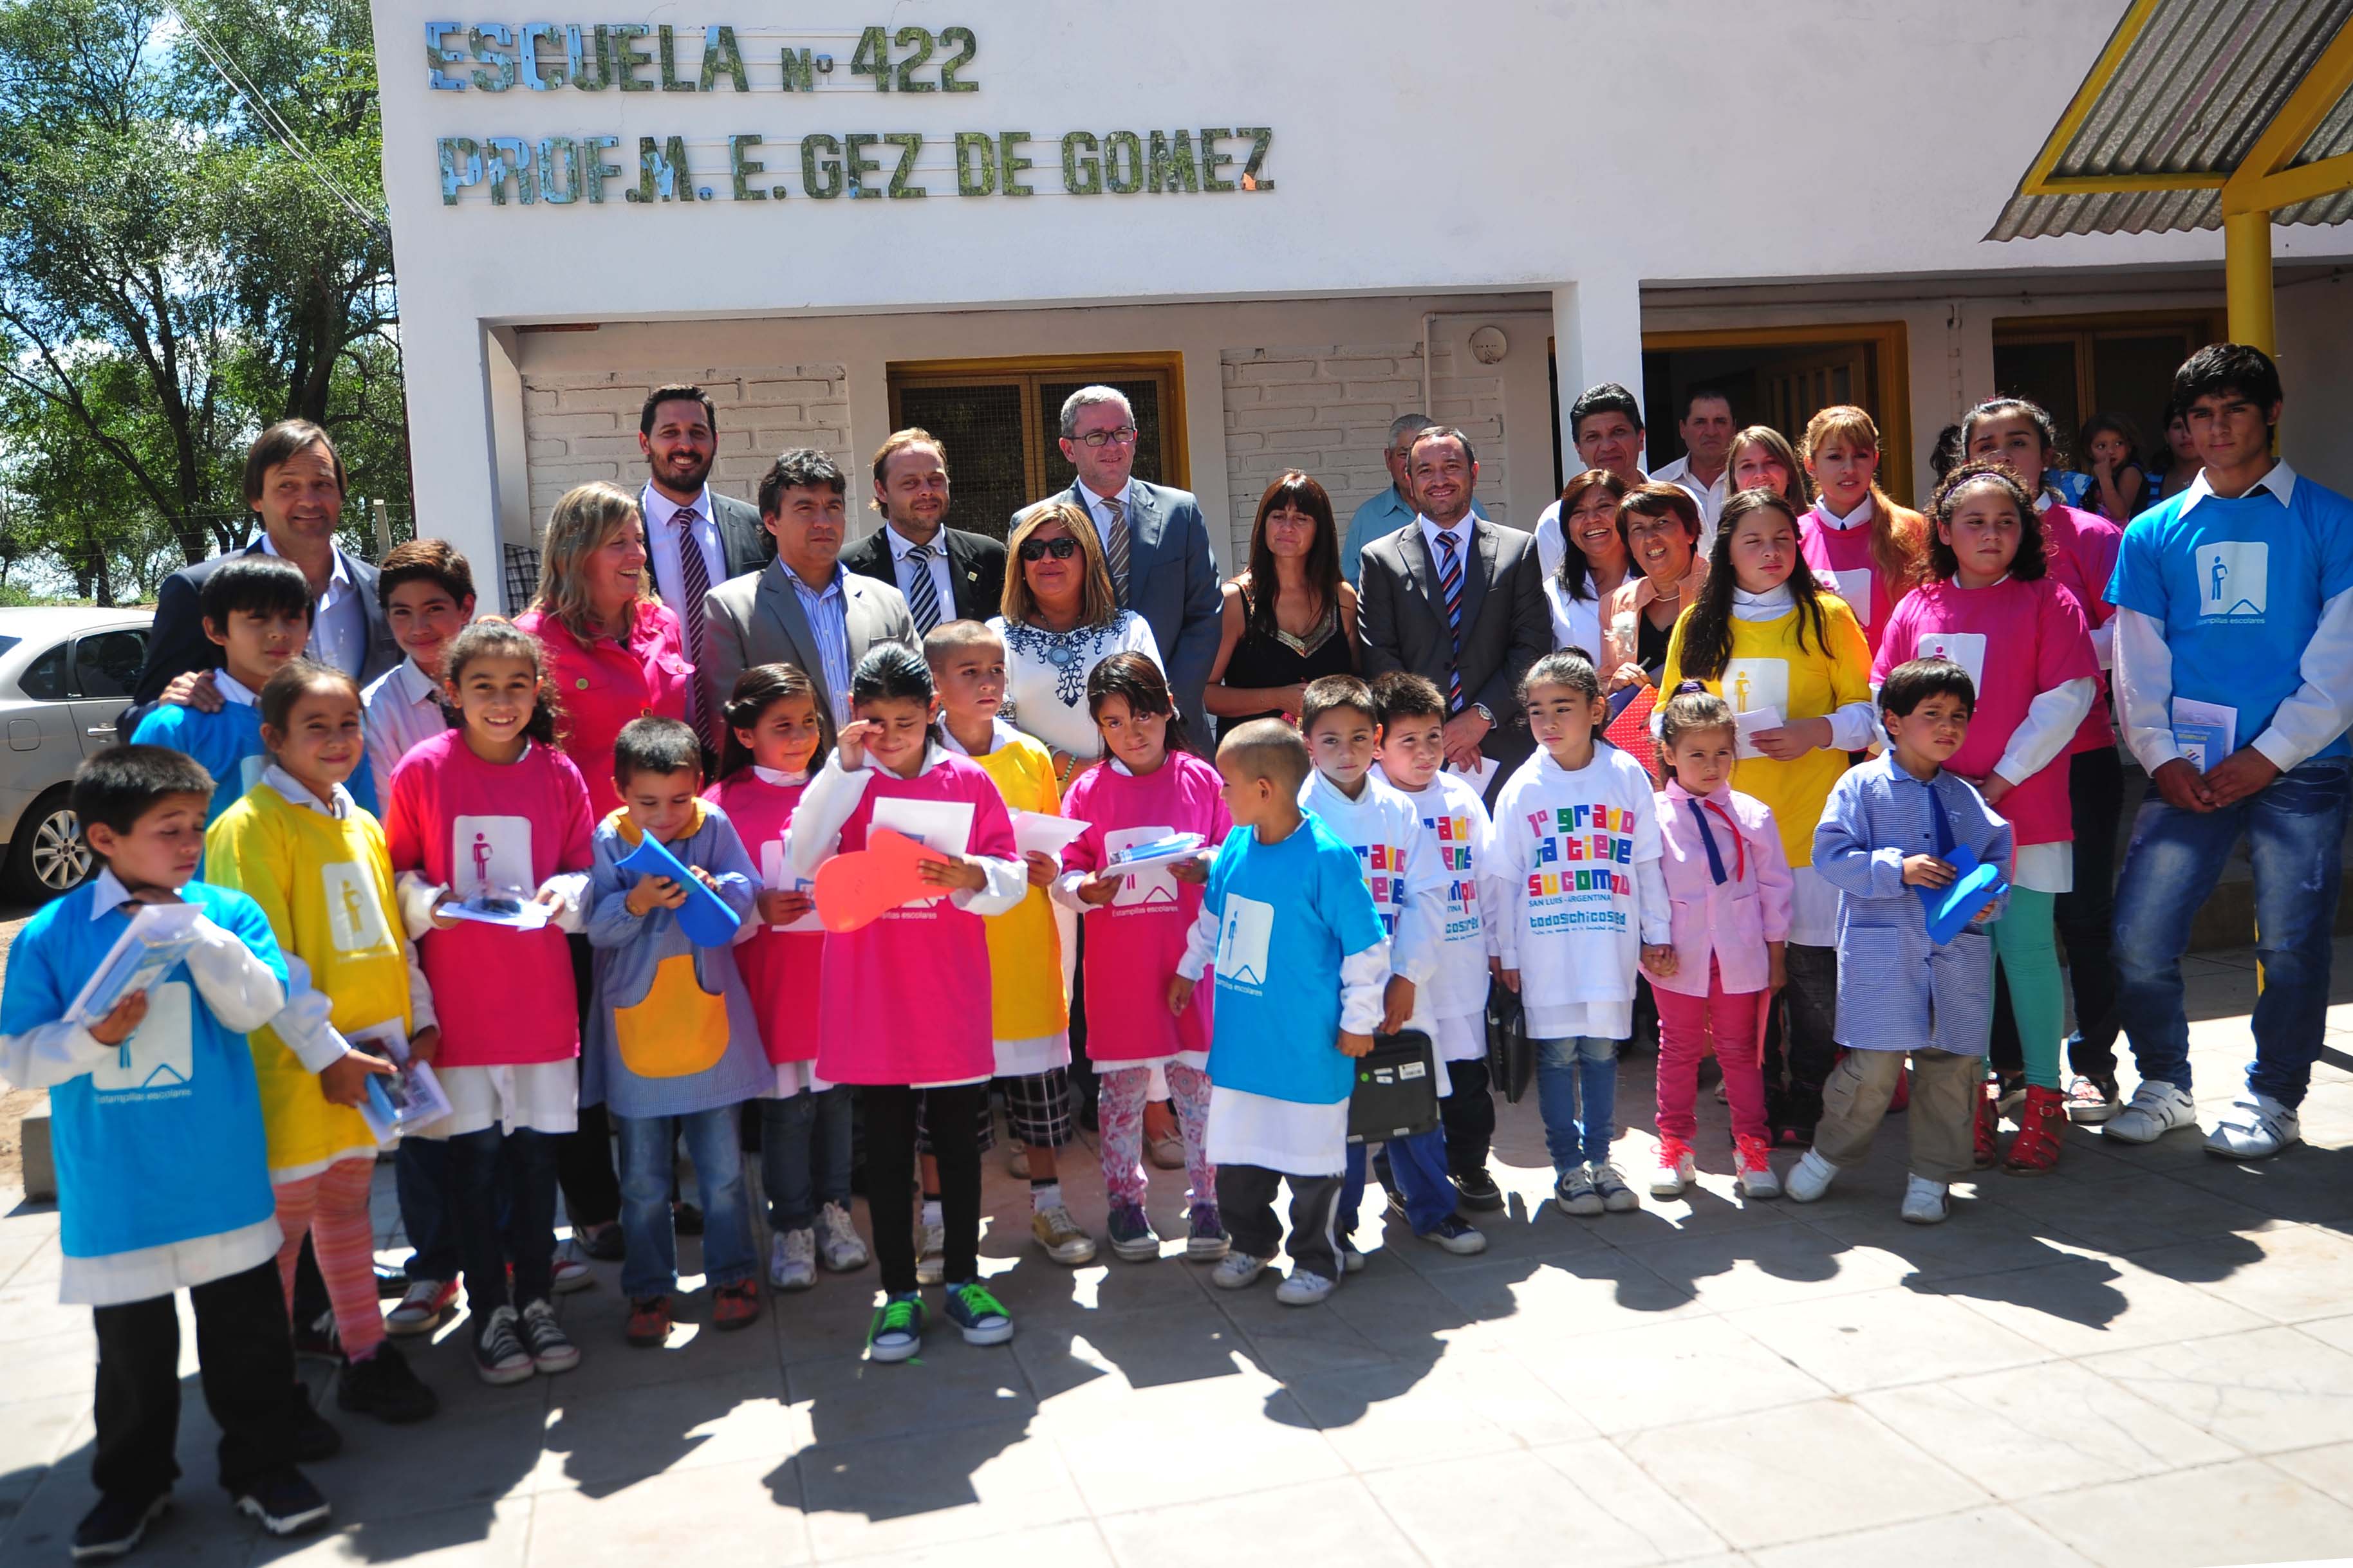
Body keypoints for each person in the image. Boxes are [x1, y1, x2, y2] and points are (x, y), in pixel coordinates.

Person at [0, 746, 332, 1554]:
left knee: (248, 1335)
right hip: (118, 1182)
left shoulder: (227, 908)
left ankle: (262, 1468)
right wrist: (90, 1035)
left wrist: (199, 935)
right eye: (168, 828)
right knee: (133, 1357)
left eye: (196, 824)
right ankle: (133, 1485)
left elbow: (258, 1007)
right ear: (104, 838)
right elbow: (18, 1057)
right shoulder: (50, 933)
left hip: (217, 1171)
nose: (190, 842)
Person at [2102, 344, 2353, 1158]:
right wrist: (2161, 756)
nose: (2214, 430)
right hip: (2187, 768)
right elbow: (2136, 662)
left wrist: (2270, 753)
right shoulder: (2151, 532)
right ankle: (2164, 1083)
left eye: (2232, 411)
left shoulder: (2330, 519)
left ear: (2271, 413)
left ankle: (2274, 1097)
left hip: (2303, 765)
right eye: (2199, 416)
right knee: (2137, 937)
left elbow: (2340, 661)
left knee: (2288, 944)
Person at [203, 661, 441, 1426]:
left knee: (347, 1209)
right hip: (296, 1069)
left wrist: (419, 1014)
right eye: (316, 726)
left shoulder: (360, 820)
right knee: (283, 1231)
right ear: (273, 738)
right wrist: (325, 1053)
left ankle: (368, 1353)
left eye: (347, 724)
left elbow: (392, 938)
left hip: (368, 1062)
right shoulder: (249, 826)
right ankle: (272, 1394)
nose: (338, 740)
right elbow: (262, 958)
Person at [785, 644, 1027, 1362]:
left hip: (946, 985)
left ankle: (961, 1277)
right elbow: (801, 856)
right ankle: (896, 1293)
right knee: (885, 1148)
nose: (889, 734)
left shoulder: (967, 781)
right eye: (873, 720)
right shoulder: (845, 780)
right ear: (853, 718)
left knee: (957, 1143)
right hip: (871, 989)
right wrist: (841, 769)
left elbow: (1008, 875)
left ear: (932, 713)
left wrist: (970, 872)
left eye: (905, 719)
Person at [383, 618, 593, 1386]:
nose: (501, 701)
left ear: (537, 690)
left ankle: (535, 1298)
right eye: (483, 687)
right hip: (460, 1006)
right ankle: (491, 1310)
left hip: (537, 999)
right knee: (472, 1161)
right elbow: (395, 875)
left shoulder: (558, 773)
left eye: (516, 685)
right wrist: (430, 905)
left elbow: (581, 869)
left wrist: (562, 893)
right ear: (452, 693)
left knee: (537, 1158)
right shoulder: (421, 771)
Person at [1876, 461, 2098, 1172]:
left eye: (2005, 520)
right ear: (1941, 530)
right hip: (1936, 817)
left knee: (2025, 952)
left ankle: (2041, 1097)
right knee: (1955, 958)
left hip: (2022, 809)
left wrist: (1996, 780)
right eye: (1972, 520)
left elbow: (2065, 697)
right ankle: (1965, 1099)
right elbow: (1886, 692)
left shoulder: (2047, 600)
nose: (1990, 533)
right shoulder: (1918, 605)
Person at [1659, 489, 1876, 1145]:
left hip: (1811, 827)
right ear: (1725, 550)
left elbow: (1868, 714)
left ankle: (1806, 1098)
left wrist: (1817, 729)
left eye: (1782, 538)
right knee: (1744, 983)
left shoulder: (1829, 617)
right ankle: (1759, 1095)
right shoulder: (1697, 622)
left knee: (1811, 977)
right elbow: (1661, 718)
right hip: (1722, 839)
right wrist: (1703, 726)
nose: (1770, 552)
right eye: (1752, 540)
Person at [516, 481, 689, 1264]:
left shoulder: (661, 623)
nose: (636, 556)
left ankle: (664, 1185)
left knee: (663, 1024)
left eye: (637, 542)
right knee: (584, 1044)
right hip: (584, 874)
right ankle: (593, 1203)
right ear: (573, 554)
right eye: (617, 543)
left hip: (672, 857)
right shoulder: (533, 644)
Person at [1790, 657, 2011, 1224]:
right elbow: (1830, 856)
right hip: (1882, 957)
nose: (1947, 727)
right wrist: (1897, 868)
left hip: (1955, 959)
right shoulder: (1860, 786)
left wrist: (1991, 902)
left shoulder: (1968, 798)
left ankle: (1931, 1177)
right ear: (1891, 719)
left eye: (1959, 716)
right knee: (1872, 1069)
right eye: (1931, 713)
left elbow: (1995, 865)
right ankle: (1830, 1152)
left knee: (1950, 1070)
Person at [1174, 719, 1388, 1306]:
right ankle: (1252, 1242)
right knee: (1240, 1154)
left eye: (1228, 783)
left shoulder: (1329, 858)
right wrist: (1189, 968)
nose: (1221, 794)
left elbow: (1366, 948)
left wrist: (1358, 1019)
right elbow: (1214, 921)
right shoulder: (1237, 847)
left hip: (1309, 1048)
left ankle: (1320, 1256)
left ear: (1264, 789)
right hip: (1245, 1046)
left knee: (1312, 1161)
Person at [1958, 397, 2127, 1122]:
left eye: (2016, 443)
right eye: (1984, 445)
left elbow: (2125, 641)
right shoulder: (1959, 551)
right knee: (1986, 924)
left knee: (2082, 918)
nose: (2000, 456)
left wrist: (2041, 661)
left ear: (2046, 454)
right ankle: (2014, 1069)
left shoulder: (2092, 536)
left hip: (2076, 757)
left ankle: (2091, 1065)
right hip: (1972, 779)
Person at [584, 717, 768, 1347]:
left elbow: (749, 888)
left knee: (721, 1171)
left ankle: (733, 1273)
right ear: (619, 790)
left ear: (698, 785)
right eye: (647, 802)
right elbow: (595, 928)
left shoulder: (712, 827)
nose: (664, 815)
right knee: (641, 1181)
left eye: (678, 800)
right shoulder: (609, 839)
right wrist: (634, 902)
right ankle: (648, 1287)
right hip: (638, 1027)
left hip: (706, 1021)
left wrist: (722, 889)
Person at [1299, 674, 1484, 1261]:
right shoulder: (1298, 812)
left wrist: (1407, 976)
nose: (1347, 752)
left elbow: (1428, 895)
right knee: (1342, 1117)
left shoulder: (1399, 810)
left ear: (1377, 739)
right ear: (1307, 743)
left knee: (1414, 1103)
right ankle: (1339, 1224)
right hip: (1331, 995)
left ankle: (1432, 1209)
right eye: (1331, 741)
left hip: (1404, 993)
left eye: (1359, 738)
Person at [925, 621, 1093, 1266]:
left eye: (995, 669)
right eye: (969, 671)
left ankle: (1049, 1206)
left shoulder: (1029, 756)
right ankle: (938, 1222)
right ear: (935, 685)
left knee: (1039, 1099)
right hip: (947, 958)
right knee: (943, 1104)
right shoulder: (922, 760)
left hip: (1022, 952)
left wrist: (1050, 870)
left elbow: (1050, 847)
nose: (987, 682)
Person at [1056, 654, 1231, 1259]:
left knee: (1198, 1085)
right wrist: (1084, 888)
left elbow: (1235, 856)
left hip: (1191, 962)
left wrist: (1205, 865)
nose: (1131, 734)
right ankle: (1125, 1204)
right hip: (1120, 971)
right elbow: (1065, 870)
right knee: (1123, 1089)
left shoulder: (1201, 779)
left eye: (1142, 716)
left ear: (1168, 710)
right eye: (1112, 723)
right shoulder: (1085, 791)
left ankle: (1208, 1200)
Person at [1490, 650, 1670, 1217]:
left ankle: (1601, 1160)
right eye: (1537, 711)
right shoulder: (1523, 787)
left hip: (1608, 948)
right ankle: (1566, 1166)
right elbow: (1504, 879)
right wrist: (1507, 950)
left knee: (1599, 1054)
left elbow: (1646, 863)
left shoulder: (1625, 775)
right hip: (1546, 952)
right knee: (1556, 1055)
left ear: (1596, 710)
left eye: (1562, 708)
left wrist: (1656, 932)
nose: (1548, 722)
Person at [706, 663, 868, 1291]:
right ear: (745, 734)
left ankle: (836, 1212)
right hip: (770, 987)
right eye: (782, 726)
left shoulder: (841, 788)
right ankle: (791, 1225)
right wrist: (755, 907)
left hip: (834, 983)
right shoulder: (720, 806)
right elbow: (712, 896)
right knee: (783, 1114)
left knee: (834, 1105)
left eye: (808, 722)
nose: (801, 736)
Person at [127, 420, 399, 717]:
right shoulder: (201, 590)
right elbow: (136, 721)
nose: (309, 500)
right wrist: (169, 705)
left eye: (322, 484)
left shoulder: (381, 589)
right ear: (256, 498)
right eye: (288, 486)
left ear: (340, 495)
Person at [1644, 684, 1791, 1199]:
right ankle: (1674, 1145)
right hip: (1676, 956)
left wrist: (1776, 954)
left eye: (1722, 753)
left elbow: (1776, 888)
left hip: (1741, 954)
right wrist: (1650, 941)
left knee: (1741, 1051)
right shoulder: (1654, 815)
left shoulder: (1754, 816)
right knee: (1679, 1047)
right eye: (1697, 754)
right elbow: (1646, 885)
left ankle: (1752, 1146)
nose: (1712, 765)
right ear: (1669, 754)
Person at [1368, 671, 1505, 1212]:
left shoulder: (1462, 799)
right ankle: (1398, 1176)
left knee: (1468, 1075)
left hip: (1463, 965)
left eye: (1433, 737)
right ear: (1377, 744)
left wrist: (1499, 948)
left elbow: (1489, 880)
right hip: (1400, 978)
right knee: (1403, 1080)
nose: (1426, 752)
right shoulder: (1371, 805)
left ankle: (1470, 1165)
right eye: (1409, 741)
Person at [1357, 425, 1549, 793]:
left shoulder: (1519, 550)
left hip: (1505, 746)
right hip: (1418, 756)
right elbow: (1381, 658)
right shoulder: (1379, 559)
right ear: (1409, 482)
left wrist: (1479, 718)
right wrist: (1433, 733)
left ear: (1474, 473)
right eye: (1425, 471)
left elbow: (1531, 647)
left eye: (1451, 466)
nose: (1439, 480)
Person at [1016, 385, 1222, 726]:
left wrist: (1164, 704)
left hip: (1174, 721)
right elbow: (1026, 622)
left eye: (1122, 433)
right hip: (1076, 723)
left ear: (1135, 438)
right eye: (1097, 436)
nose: (1113, 447)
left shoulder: (1180, 512)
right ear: (1068, 449)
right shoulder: (1035, 527)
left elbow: (1205, 614)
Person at [705, 447, 918, 731]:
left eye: (833, 507)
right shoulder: (732, 608)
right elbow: (727, 726)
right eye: (805, 508)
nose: (823, 522)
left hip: (878, 772)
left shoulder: (888, 601)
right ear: (771, 521)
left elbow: (916, 699)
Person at [132, 557, 336, 827]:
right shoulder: (173, 729)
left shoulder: (337, 721)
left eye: (292, 617)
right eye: (257, 618)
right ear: (215, 629)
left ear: (309, 628)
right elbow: (138, 841)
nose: (278, 632)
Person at [634, 385, 776, 755]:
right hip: (650, 737)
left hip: (744, 736)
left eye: (697, 433)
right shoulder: (617, 533)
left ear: (715, 441)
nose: (685, 445)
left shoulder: (756, 528)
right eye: (670, 433)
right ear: (645, 443)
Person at [991, 500, 1165, 784]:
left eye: (1063, 548)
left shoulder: (1130, 628)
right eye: (1033, 551)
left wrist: (1106, 772)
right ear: (1020, 565)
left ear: (1088, 557)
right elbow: (995, 725)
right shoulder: (996, 637)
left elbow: (1156, 710)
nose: (1047, 559)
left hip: (1120, 787)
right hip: (1033, 796)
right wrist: (1067, 765)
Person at [1204, 471, 1359, 742]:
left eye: (1301, 518)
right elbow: (1206, 694)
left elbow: (1361, 684)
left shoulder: (1342, 598)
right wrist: (1276, 698)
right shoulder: (1234, 600)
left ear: (1320, 530)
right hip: (1252, 764)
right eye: (1278, 516)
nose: (1287, 527)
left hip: (1331, 765)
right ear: (1263, 524)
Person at [841, 428, 1009, 631]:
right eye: (910, 483)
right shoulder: (846, 569)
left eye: (935, 480)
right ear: (882, 491)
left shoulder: (990, 558)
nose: (927, 492)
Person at [1798, 405, 1928, 659]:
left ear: (1875, 459)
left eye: (1860, 455)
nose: (1849, 468)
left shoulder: (1913, 529)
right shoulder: (1793, 536)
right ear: (1810, 465)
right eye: (1835, 457)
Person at [362, 540, 476, 805]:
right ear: (387, 617)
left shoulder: (505, 686)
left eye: (434, 609)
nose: (419, 627)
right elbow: (388, 810)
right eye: (402, 612)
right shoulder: (376, 709)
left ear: (466, 608)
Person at [1339, 413, 1487, 584]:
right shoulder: (1367, 519)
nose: (1413, 462)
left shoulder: (1471, 509)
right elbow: (1351, 591)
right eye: (1405, 454)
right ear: (1388, 459)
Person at [1532, 383, 1650, 579]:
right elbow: (1549, 602)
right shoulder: (1555, 522)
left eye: (1618, 432)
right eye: (1593, 437)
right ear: (1578, 449)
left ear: (1641, 438)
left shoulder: (1678, 504)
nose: (1607, 446)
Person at [1603, 483, 1709, 692]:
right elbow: (1604, 678)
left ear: (1690, 532)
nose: (1650, 537)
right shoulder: (1617, 601)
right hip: (1640, 723)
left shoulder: (1723, 587)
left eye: (1661, 523)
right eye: (1638, 529)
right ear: (1630, 547)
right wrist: (1613, 685)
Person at [1543, 471, 1633, 661]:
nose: (1592, 519)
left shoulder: (1656, 582)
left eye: (1604, 506)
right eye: (1578, 512)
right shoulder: (1552, 594)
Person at [1650, 385, 1736, 549]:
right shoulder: (1659, 484)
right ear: (1683, 429)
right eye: (1700, 422)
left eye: (1720, 422)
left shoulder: (1750, 480)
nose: (1711, 432)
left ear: (1734, 429)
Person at [2076, 411, 2146, 524]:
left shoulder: (2131, 472)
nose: (2111, 451)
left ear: (2129, 446)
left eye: (2119, 443)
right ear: (2089, 451)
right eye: (2101, 446)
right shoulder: (2096, 480)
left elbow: (2119, 513)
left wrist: (2105, 478)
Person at [1728, 426, 1812, 513]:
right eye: (1748, 466)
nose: (1760, 474)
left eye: (1771, 462)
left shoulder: (1816, 525)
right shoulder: (1724, 527)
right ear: (1734, 479)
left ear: (1789, 473)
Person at [2146, 402, 2199, 508]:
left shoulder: (2226, 481)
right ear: (2166, 436)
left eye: (2192, 426)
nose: (2186, 434)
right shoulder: (2146, 483)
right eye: (2178, 427)